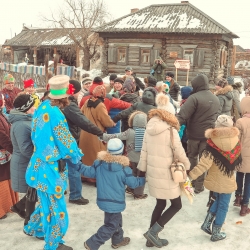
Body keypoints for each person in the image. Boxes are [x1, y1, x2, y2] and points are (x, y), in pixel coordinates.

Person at [24, 75, 83, 250]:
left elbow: (36, 136)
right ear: (65, 96)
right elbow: (65, 140)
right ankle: (53, 243)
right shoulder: (56, 113)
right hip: (52, 167)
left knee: (45, 201)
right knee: (57, 207)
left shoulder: (42, 107)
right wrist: (75, 154)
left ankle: (35, 228)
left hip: (37, 163)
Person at [67, 138, 146, 250]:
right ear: (122, 151)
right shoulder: (124, 169)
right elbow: (133, 184)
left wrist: (77, 164)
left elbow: (87, 171)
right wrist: (143, 179)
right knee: (111, 225)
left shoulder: (99, 164)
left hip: (103, 200)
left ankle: (118, 240)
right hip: (116, 202)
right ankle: (92, 243)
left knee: (115, 220)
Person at [137, 93, 190, 248]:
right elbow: (179, 152)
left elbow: (144, 151)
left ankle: (150, 240)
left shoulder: (149, 127)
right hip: (168, 174)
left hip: (154, 173)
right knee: (176, 205)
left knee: (160, 203)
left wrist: (142, 169)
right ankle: (152, 233)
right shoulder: (170, 130)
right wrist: (187, 165)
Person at [189, 115, 241, 242]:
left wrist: (190, 176)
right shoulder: (235, 140)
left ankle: (207, 224)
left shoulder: (212, 143)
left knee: (217, 200)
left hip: (215, 180)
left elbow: (203, 165)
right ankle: (216, 232)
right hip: (228, 179)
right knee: (223, 205)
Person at [61, 79, 103, 205]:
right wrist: (99, 132)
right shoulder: (69, 105)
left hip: (62, 139)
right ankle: (75, 195)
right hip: (69, 139)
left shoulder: (59, 103)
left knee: (62, 166)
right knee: (74, 166)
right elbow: (83, 121)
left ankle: (62, 189)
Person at [177, 74, 220, 194]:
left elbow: (182, 116)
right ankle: (199, 186)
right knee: (203, 161)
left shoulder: (194, 98)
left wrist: (172, 124)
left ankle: (192, 182)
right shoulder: (215, 98)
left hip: (194, 135)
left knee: (192, 158)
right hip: (208, 136)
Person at [103, 111, 148, 199]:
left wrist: (104, 136)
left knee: (134, 173)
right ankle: (138, 194)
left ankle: (130, 188)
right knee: (141, 175)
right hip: (143, 159)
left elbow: (117, 136)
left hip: (131, 157)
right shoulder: (147, 133)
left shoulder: (129, 132)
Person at [9, 94, 37, 225]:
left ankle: (20, 208)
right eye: (32, 106)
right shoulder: (21, 124)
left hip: (27, 162)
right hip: (24, 163)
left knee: (34, 190)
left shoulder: (25, 120)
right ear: (26, 108)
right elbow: (25, 149)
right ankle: (29, 220)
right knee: (33, 190)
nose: (35, 108)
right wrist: (40, 154)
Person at [79, 85, 115, 171]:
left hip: (84, 134)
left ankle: (84, 175)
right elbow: (106, 121)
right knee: (96, 156)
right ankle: (93, 177)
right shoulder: (100, 105)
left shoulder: (87, 101)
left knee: (85, 155)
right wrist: (112, 123)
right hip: (95, 135)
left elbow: (81, 113)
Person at [0, 92, 18, 220]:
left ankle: (8, 205)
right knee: (2, 179)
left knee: (6, 177)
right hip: (3, 151)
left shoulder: (1, 114)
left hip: (5, 152)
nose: (5, 102)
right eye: (2, 101)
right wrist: (13, 148)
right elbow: (2, 136)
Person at [234, 97, 250, 216]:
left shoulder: (240, 121)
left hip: (241, 154)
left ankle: (237, 197)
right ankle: (245, 206)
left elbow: (236, 139)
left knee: (239, 174)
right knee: (249, 180)